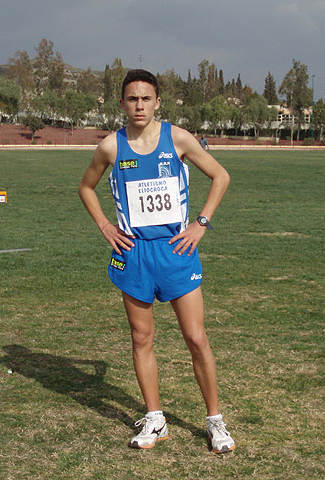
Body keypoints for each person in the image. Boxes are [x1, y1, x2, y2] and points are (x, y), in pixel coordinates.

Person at [78, 69, 235, 453]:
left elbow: (221, 176)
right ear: (122, 103)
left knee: (196, 338)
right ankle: (155, 419)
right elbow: (86, 187)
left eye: (146, 98)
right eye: (132, 99)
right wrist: (104, 225)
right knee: (141, 338)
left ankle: (215, 421)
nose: (139, 105)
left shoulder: (177, 138)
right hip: (134, 253)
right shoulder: (111, 147)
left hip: (176, 250)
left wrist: (200, 224)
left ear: (158, 102)